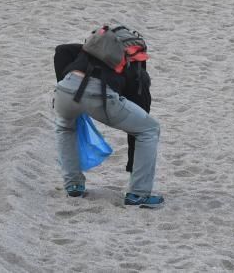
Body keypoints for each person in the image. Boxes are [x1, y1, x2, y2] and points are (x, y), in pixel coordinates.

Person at [52, 27, 162, 207]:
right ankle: (139, 194)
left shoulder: (86, 49)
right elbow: (140, 105)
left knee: (65, 126)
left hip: (65, 91)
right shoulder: (131, 60)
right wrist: (132, 163)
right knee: (149, 129)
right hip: (99, 96)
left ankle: (73, 185)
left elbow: (61, 51)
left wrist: (62, 87)